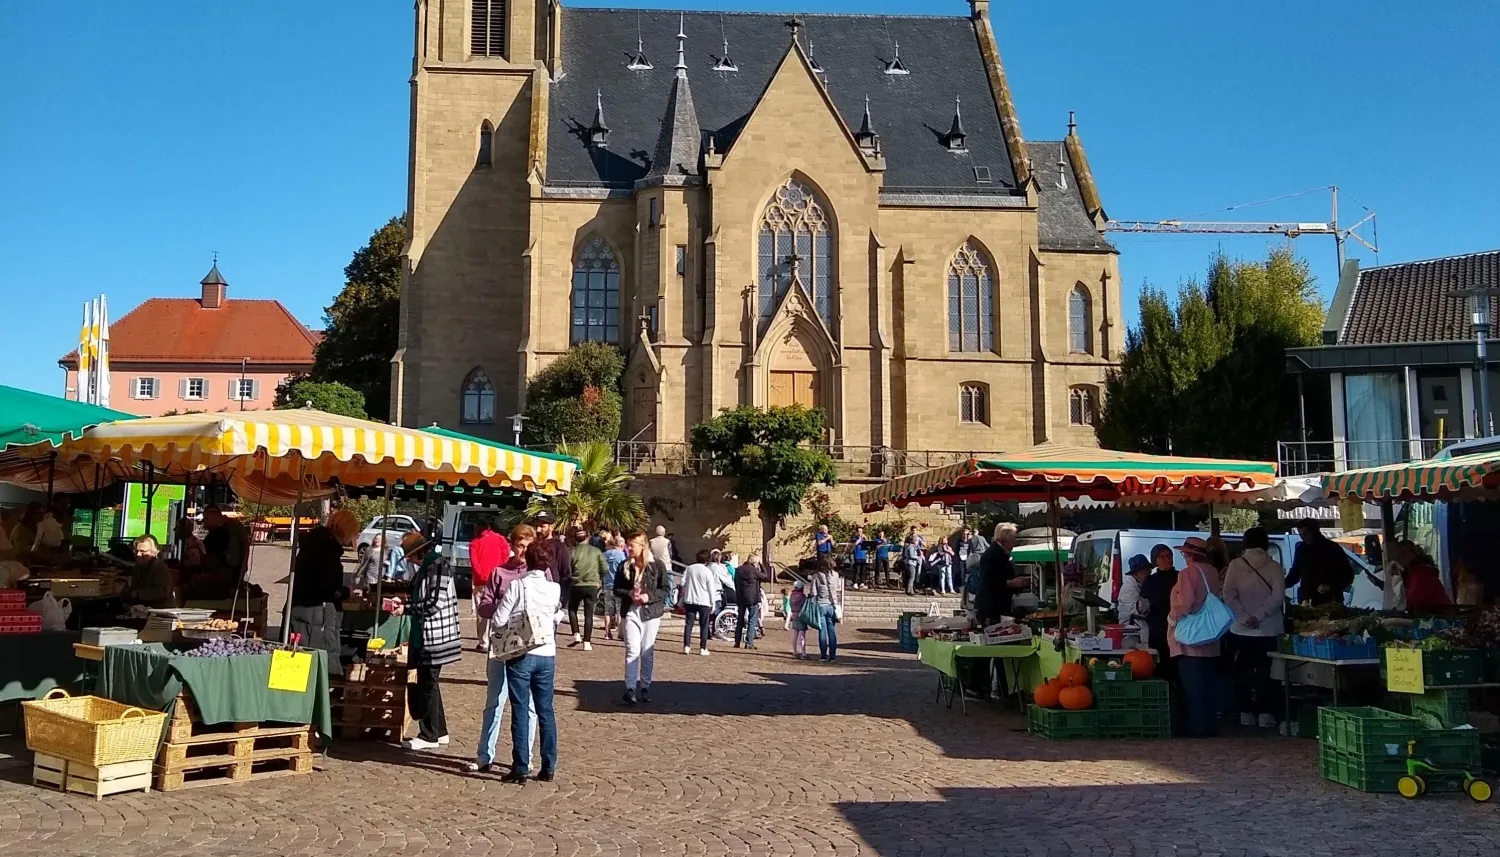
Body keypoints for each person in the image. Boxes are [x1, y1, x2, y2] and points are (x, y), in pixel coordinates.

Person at [489, 528, 564, 785]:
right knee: (546, 710)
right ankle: (549, 765)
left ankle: (520, 767)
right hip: (548, 653)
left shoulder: (517, 586)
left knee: (520, 709)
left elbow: (498, 620)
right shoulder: (554, 589)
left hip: (521, 653)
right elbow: (557, 616)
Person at [469, 524, 539, 774]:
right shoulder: (499, 573)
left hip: (527, 646)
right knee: (494, 700)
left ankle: (526, 757)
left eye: (528, 546)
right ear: (512, 546)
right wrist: (499, 609)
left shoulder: (540, 575)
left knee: (527, 704)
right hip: (500, 642)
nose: (524, 550)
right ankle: (484, 754)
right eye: (520, 545)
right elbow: (485, 605)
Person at [1222, 528, 1286, 729]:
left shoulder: (1235, 565)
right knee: (1268, 673)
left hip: (1240, 630)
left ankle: (1245, 712)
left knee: (1243, 672)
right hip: (1269, 628)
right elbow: (1278, 597)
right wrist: (1260, 616)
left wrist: (1243, 616)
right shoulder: (1275, 567)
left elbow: (1228, 594)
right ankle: (1266, 713)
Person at [404, 531, 462, 750]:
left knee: (426, 683)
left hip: (436, 636)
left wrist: (404, 609)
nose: (409, 560)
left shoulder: (438, 566)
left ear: (419, 551)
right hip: (425, 634)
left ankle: (428, 734)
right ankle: (440, 731)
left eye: (410, 555)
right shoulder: (427, 567)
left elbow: (433, 604)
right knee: (430, 682)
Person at [289, 508, 360, 677]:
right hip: (314, 618)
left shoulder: (316, 543)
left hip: (305, 613)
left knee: (303, 666)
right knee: (311, 669)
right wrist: (345, 592)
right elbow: (326, 588)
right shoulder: (326, 549)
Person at [1169, 536, 1226, 738]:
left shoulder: (1188, 573)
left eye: (1184, 553)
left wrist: (1172, 619)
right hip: (1210, 636)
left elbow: (1186, 602)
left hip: (1191, 637)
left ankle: (1197, 726)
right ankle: (1209, 725)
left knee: (1193, 685)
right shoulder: (1211, 571)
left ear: (1190, 554)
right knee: (1208, 684)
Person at [615, 529, 670, 705]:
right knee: (632, 650)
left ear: (642, 546)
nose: (628, 548)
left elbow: (665, 589)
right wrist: (629, 592)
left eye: (632, 545)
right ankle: (630, 688)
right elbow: (617, 588)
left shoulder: (657, 565)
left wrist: (649, 597)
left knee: (647, 650)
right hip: (631, 611)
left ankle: (645, 686)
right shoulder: (625, 566)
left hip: (651, 613)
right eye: (628, 545)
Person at [469, 518, 511, 653]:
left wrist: (481, 576)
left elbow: (474, 564)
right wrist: (501, 569)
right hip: (499, 579)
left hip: (481, 582)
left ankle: (483, 642)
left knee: (482, 613)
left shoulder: (474, 543)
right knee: (499, 609)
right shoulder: (500, 539)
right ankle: (496, 638)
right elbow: (506, 555)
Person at [1286, 521, 1353, 606]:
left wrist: (1331, 587)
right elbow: (1295, 573)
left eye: (1305, 534)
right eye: (1300, 534)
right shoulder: (1301, 550)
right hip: (1307, 602)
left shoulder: (1333, 549)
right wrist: (1282, 585)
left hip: (1331, 602)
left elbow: (1348, 576)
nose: (1303, 537)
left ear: (1314, 532)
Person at [567, 525, 606, 651]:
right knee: (588, 614)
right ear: (587, 538)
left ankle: (576, 633)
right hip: (592, 585)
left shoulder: (572, 552)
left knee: (572, 608)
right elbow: (605, 568)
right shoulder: (596, 551)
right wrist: (598, 579)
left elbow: (568, 569)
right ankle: (587, 642)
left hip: (576, 584)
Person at [1392, 540, 1451, 613]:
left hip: (1437, 616)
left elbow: (1414, 599)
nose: (1399, 559)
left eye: (1402, 555)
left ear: (1411, 554)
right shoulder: (1417, 571)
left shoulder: (1421, 573)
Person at [201, 505, 250, 590]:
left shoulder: (234, 525)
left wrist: (244, 563)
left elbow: (245, 543)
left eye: (206, 519)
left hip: (232, 566)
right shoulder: (214, 531)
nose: (205, 523)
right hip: (220, 568)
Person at [679, 549, 718, 656]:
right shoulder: (707, 571)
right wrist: (713, 603)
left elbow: (682, 582)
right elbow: (711, 588)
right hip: (704, 600)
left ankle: (686, 646)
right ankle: (703, 647)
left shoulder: (689, 568)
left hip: (690, 599)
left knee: (689, 624)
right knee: (704, 625)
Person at [807, 557, 845, 661]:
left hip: (821, 604)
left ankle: (823, 655)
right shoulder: (835, 575)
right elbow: (837, 587)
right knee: (832, 631)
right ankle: (833, 656)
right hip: (831, 605)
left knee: (822, 631)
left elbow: (813, 592)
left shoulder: (816, 576)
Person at [734, 550, 771, 649]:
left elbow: (735, 583)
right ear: (755, 562)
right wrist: (762, 565)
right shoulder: (754, 570)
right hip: (752, 598)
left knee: (740, 620)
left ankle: (737, 642)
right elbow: (765, 576)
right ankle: (749, 643)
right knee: (752, 620)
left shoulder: (738, 570)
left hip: (741, 597)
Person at [127, 534, 175, 609]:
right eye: (136, 551)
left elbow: (162, 592)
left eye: (143, 551)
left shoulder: (159, 567)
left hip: (159, 612)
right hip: (139, 610)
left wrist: (138, 594)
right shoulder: (137, 568)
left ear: (154, 552)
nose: (138, 554)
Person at [1116, 554, 1153, 643]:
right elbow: (1139, 609)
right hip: (1132, 631)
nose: (1149, 573)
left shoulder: (1139, 584)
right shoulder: (1129, 587)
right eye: (1146, 571)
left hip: (1136, 629)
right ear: (1137, 572)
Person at [600, 535, 626, 641]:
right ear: (621, 544)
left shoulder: (605, 554)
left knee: (608, 610)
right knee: (620, 610)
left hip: (607, 584)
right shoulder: (621, 555)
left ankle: (607, 632)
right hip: (618, 585)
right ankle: (620, 633)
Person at [788, 581, 809, 658]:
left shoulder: (792, 595)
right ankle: (803, 653)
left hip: (794, 614)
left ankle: (794, 651)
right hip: (801, 615)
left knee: (795, 634)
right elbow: (805, 605)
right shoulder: (802, 596)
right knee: (802, 635)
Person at [901, 528, 925, 596]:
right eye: (916, 540)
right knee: (912, 577)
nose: (917, 542)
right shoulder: (911, 546)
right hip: (910, 563)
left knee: (912, 576)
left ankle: (911, 590)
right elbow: (911, 555)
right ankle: (909, 590)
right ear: (913, 540)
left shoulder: (913, 547)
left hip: (912, 563)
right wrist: (918, 557)